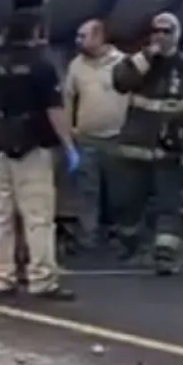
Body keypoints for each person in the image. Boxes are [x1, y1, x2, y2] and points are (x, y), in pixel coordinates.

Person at [0, 6, 80, 300]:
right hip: (32, 144)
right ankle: (42, 279)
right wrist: (69, 146)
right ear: (35, 32)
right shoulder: (42, 66)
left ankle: (3, 277)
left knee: (1, 215)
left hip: (2, 143)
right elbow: (54, 110)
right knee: (38, 216)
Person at [110, 12, 183, 275]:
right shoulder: (138, 63)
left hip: (171, 151)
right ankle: (129, 244)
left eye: (166, 32)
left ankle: (164, 254)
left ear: (176, 34)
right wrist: (146, 57)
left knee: (168, 204)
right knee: (127, 202)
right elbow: (120, 82)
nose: (160, 36)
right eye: (156, 31)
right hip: (135, 149)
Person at [61, 19, 128, 250]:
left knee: (118, 192)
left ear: (99, 37)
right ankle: (87, 237)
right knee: (87, 191)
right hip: (86, 138)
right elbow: (67, 100)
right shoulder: (76, 66)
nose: (78, 41)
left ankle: (119, 235)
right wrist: (69, 132)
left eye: (83, 36)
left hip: (117, 138)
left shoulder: (122, 63)